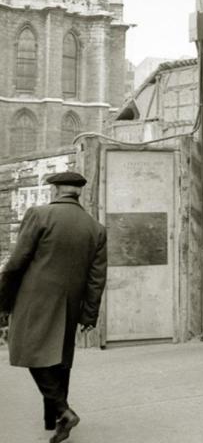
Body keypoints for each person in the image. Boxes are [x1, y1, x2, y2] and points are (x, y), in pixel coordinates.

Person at [0, 171, 107, 443]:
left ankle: (63, 411)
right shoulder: (95, 227)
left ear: (55, 190)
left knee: (28, 350)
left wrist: (3, 299)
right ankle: (54, 421)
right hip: (71, 301)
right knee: (60, 359)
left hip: (35, 298)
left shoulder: (39, 215)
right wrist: (89, 314)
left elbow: (16, 263)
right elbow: (97, 277)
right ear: (78, 192)